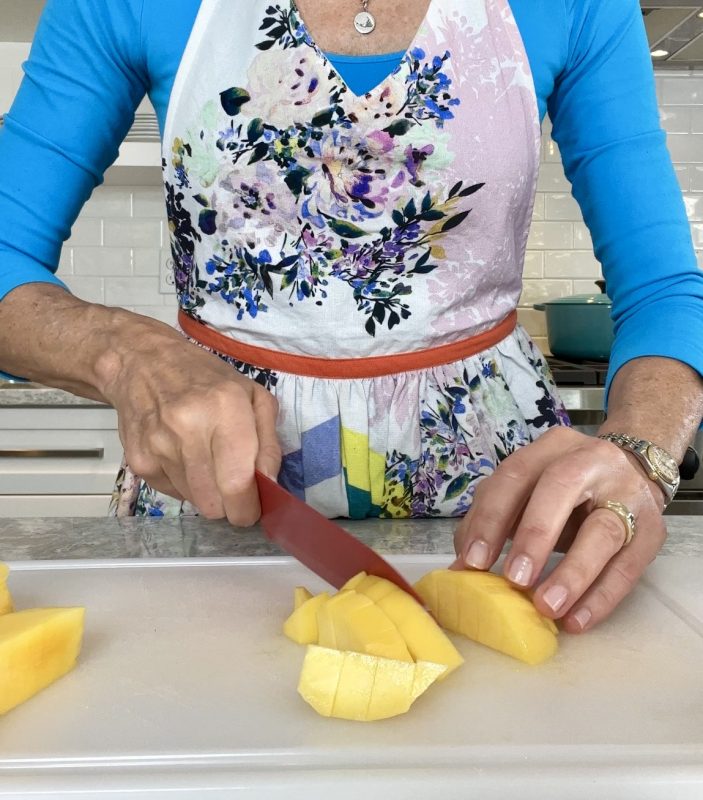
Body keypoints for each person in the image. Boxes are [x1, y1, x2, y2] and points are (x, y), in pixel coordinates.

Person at [1, 0, 702, 635]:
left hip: (501, 504)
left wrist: (643, 450)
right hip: (216, 481)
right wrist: (127, 354)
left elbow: (664, 284)